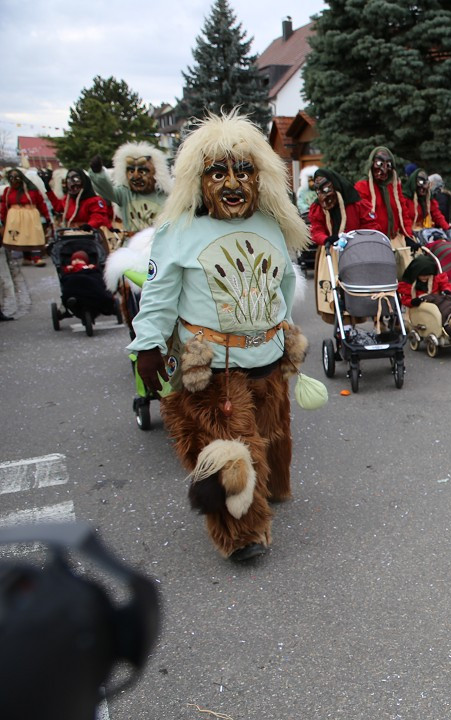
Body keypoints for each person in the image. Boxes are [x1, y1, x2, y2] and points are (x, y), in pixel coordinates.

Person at [128, 111, 309, 562]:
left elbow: (283, 285)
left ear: (261, 176)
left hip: (267, 357)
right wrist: (147, 348)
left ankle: (270, 491)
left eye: (243, 170)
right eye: (218, 171)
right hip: (213, 369)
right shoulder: (179, 231)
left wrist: (285, 331)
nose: (232, 183)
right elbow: (158, 295)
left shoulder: (272, 224)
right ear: (198, 179)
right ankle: (241, 534)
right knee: (231, 456)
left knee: (270, 437)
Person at [308, 168, 365, 323]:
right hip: (330, 251)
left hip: (354, 251)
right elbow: (316, 229)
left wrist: (361, 238)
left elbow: (368, 223)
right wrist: (326, 239)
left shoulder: (354, 202)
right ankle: (341, 326)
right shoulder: (318, 207)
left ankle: (352, 323)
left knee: (354, 288)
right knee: (332, 289)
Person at [88, 143, 172, 233]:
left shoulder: (167, 196)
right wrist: (97, 173)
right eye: (131, 171)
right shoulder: (125, 194)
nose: (135, 176)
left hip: (158, 244)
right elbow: (106, 190)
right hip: (132, 244)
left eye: (142, 171)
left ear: (156, 173)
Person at [397, 253, 451, 333]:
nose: (424, 277)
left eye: (427, 275)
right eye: (422, 275)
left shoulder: (436, 278)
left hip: (440, 297)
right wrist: (412, 302)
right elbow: (405, 299)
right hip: (426, 302)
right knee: (442, 308)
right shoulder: (409, 285)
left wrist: (446, 290)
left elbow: (445, 284)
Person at [353, 146, 411, 241]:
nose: (384, 169)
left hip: (395, 239)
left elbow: (403, 212)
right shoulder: (362, 187)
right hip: (372, 241)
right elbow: (362, 217)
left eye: (388, 164)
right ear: (371, 164)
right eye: (379, 164)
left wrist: (408, 235)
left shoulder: (394, 187)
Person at [2, 166, 52, 267]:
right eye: (11, 178)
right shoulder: (8, 191)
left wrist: (47, 217)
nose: (14, 181)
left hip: (31, 215)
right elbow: (4, 205)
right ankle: (27, 258)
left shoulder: (32, 190)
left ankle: (37, 258)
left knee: (34, 235)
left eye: (16, 178)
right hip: (15, 217)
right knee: (21, 237)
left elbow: (41, 203)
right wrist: (3, 219)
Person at [48, 169, 113, 232]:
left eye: (76, 179)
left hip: (90, 235)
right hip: (70, 234)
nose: (72, 184)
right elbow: (58, 207)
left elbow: (98, 216)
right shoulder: (67, 200)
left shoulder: (95, 200)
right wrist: (48, 189)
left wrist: (90, 225)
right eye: (68, 179)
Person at [403, 167, 450, 232]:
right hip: (406, 232)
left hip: (420, 232)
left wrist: (447, 228)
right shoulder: (405, 199)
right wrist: (409, 233)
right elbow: (404, 218)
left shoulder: (427, 199)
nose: (422, 190)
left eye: (424, 188)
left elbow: (437, 215)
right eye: (420, 187)